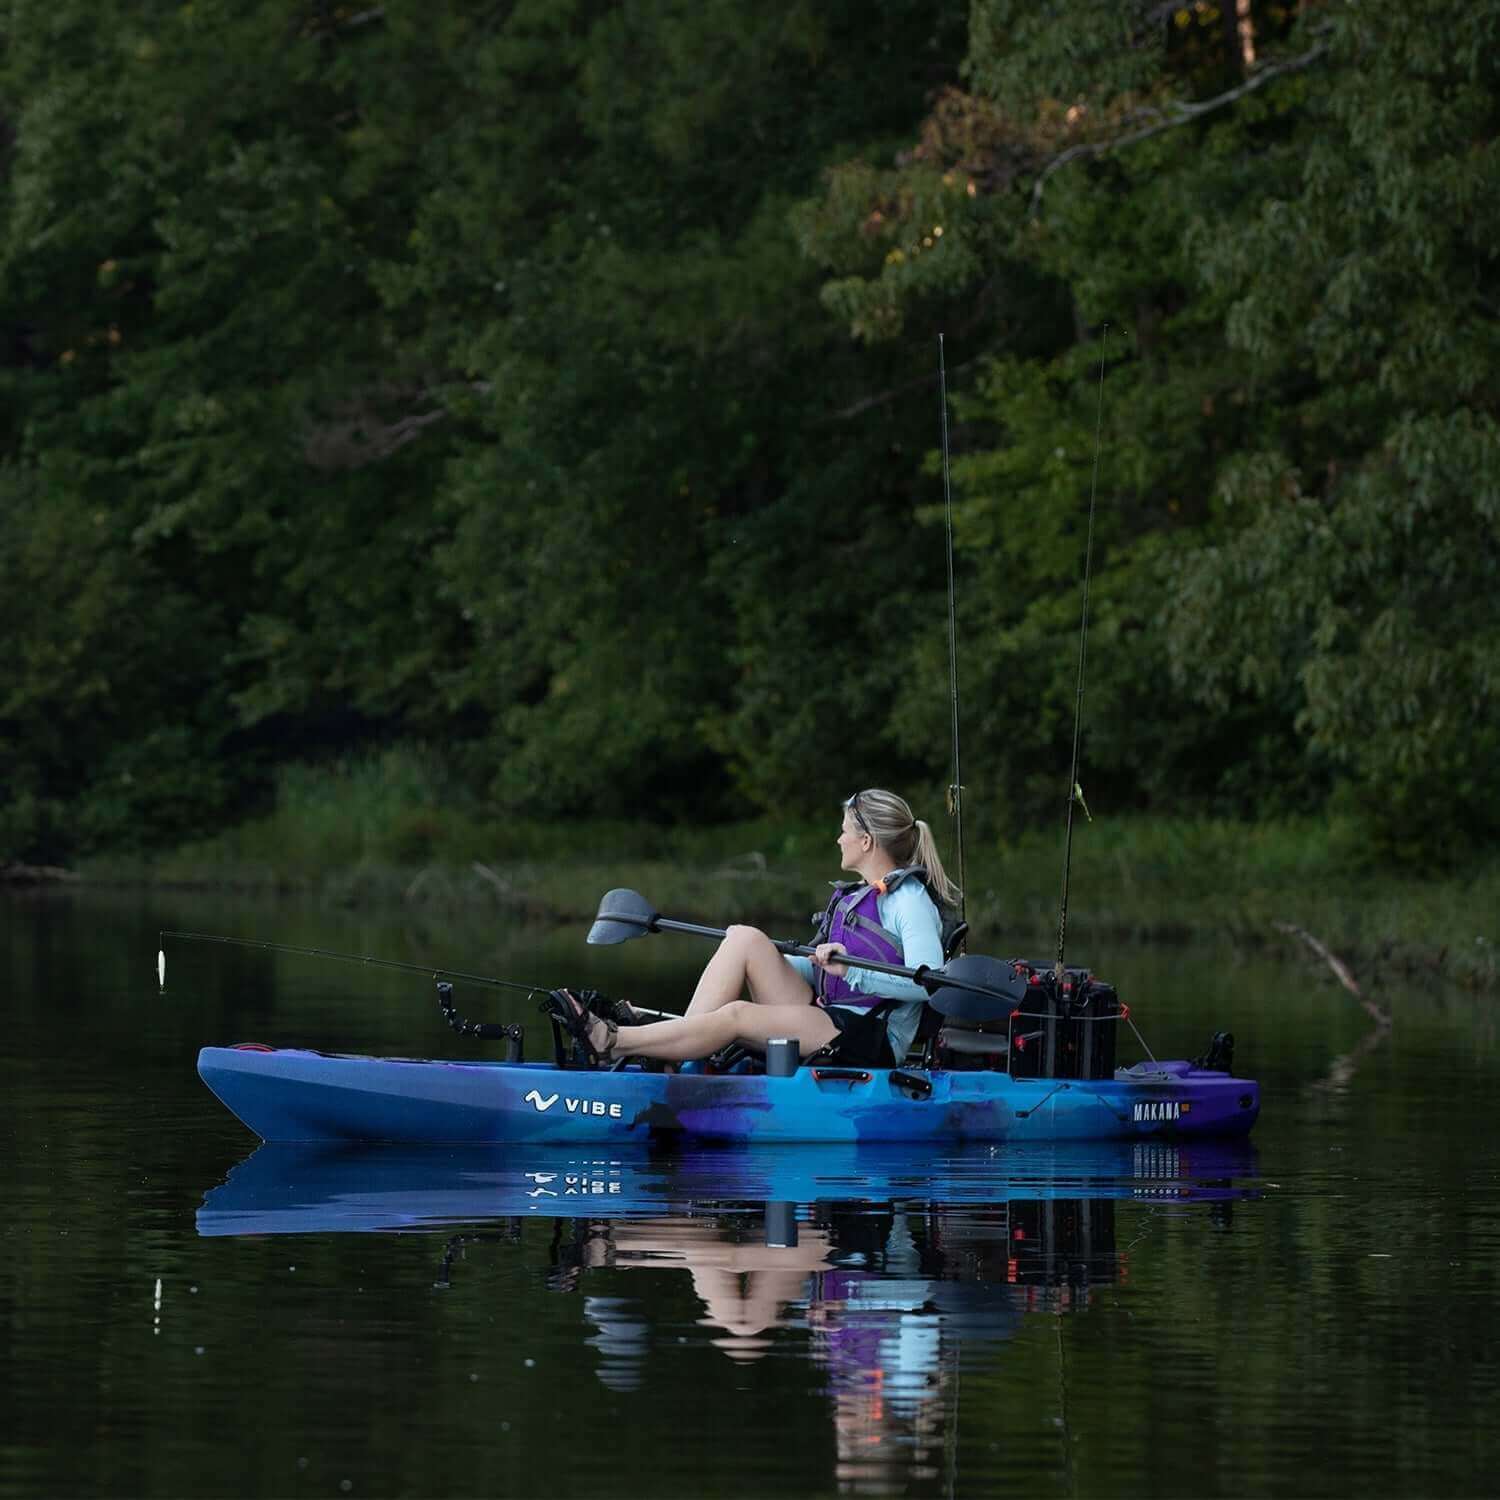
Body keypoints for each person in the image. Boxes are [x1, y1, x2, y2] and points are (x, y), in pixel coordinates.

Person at [550, 789, 961, 1069]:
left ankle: (613, 1041)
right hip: (827, 1014)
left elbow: (931, 984)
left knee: (737, 1015)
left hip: (868, 1035)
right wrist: (777, 959)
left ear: (867, 841)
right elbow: (822, 976)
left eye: (845, 831)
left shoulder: (908, 900)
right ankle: (677, 1051)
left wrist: (850, 970)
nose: (839, 839)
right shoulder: (857, 894)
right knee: (744, 938)